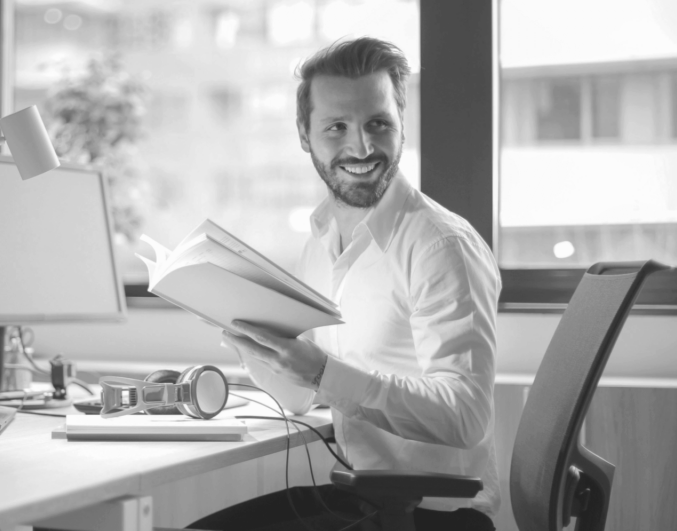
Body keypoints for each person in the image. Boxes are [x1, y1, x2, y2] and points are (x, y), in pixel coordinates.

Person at [190, 37, 500, 531]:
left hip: (435, 515)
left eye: (378, 123)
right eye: (336, 127)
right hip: (364, 495)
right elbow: (304, 397)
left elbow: (464, 416)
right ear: (304, 133)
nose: (361, 147)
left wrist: (321, 373)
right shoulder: (322, 237)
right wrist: (247, 337)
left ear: (401, 123)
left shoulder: (441, 245)